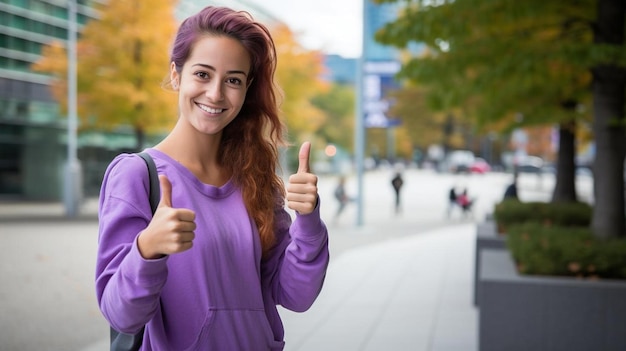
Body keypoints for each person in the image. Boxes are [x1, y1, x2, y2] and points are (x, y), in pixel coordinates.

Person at [95, 6, 329, 350]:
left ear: (246, 88)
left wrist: (307, 222)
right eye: (202, 74)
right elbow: (121, 315)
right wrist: (148, 249)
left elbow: (295, 295)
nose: (216, 94)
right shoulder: (136, 176)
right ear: (176, 75)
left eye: (233, 80)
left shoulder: (254, 178)